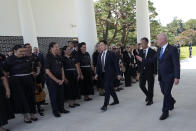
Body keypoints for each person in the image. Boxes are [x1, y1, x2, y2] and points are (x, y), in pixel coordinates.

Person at [136, 33, 180, 120]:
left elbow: (176, 64)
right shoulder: (159, 50)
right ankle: (171, 101)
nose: (156, 41)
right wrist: (142, 60)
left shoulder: (172, 49)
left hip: (169, 76)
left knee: (166, 93)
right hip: (161, 76)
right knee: (164, 92)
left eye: (158, 39)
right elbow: (152, 60)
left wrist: (177, 76)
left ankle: (165, 112)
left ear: (163, 40)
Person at [5, 45, 38, 123]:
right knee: (22, 98)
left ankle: (32, 113)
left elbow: (30, 67)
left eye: (23, 51)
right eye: (20, 51)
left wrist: (32, 72)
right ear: (15, 51)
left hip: (28, 79)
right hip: (17, 81)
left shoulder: (26, 58)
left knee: (31, 97)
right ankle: (26, 116)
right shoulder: (10, 59)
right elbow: (5, 71)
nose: (22, 53)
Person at [45, 42, 70, 117]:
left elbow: (62, 68)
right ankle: (55, 111)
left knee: (61, 95)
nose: (57, 48)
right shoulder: (47, 57)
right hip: (52, 80)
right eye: (56, 47)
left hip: (60, 79)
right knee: (54, 96)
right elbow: (47, 71)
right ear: (51, 48)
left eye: (58, 47)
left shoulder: (59, 57)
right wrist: (56, 80)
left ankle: (61, 108)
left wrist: (62, 78)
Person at [95, 40, 121, 111]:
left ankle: (105, 105)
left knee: (107, 89)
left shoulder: (111, 54)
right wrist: (97, 74)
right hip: (103, 75)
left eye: (102, 45)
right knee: (110, 88)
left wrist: (118, 74)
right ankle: (116, 100)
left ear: (106, 46)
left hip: (110, 75)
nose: (100, 47)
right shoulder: (100, 55)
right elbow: (98, 65)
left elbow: (116, 64)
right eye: (99, 45)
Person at [138, 37, 157, 106]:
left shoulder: (153, 51)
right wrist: (138, 72)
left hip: (150, 71)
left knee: (150, 86)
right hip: (143, 71)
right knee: (141, 85)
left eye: (142, 43)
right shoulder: (140, 51)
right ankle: (148, 95)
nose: (141, 44)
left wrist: (155, 72)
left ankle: (150, 100)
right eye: (140, 43)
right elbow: (139, 63)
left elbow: (155, 63)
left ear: (146, 43)